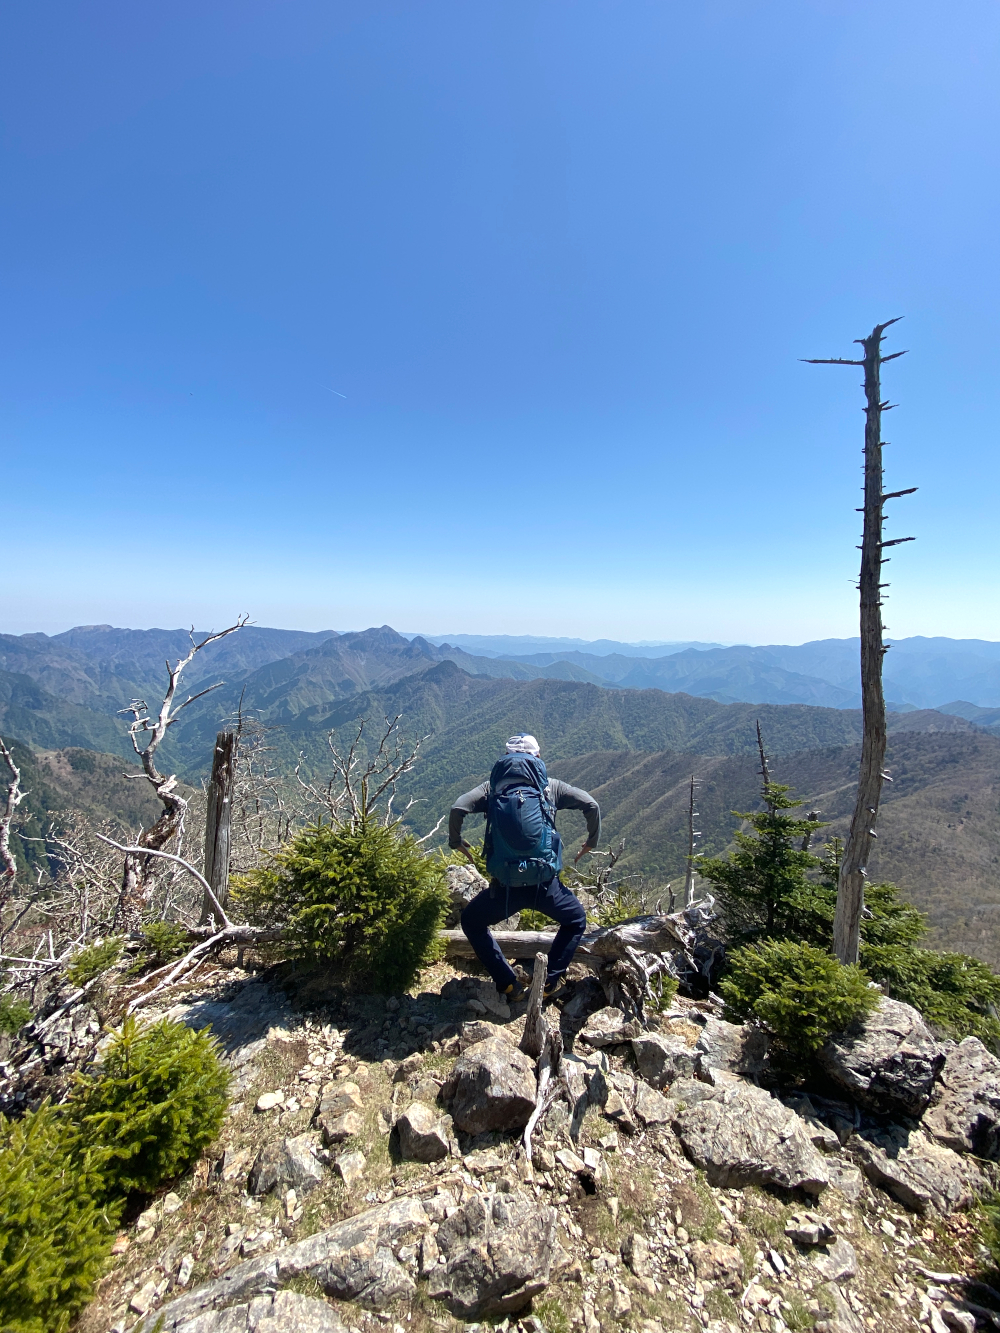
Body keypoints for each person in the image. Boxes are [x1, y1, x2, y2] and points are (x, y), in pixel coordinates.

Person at [448, 733, 601, 1003]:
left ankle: (509, 985)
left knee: (472, 922)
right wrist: (591, 841)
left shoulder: (491, 789)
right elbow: (591, 804)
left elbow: (458, 806)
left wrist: (455, 841)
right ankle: (549, 982)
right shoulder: (550, 788)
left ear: (506, 758)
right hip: (545, 885)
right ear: (537, 757)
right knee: (575, 920)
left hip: (506, 888)